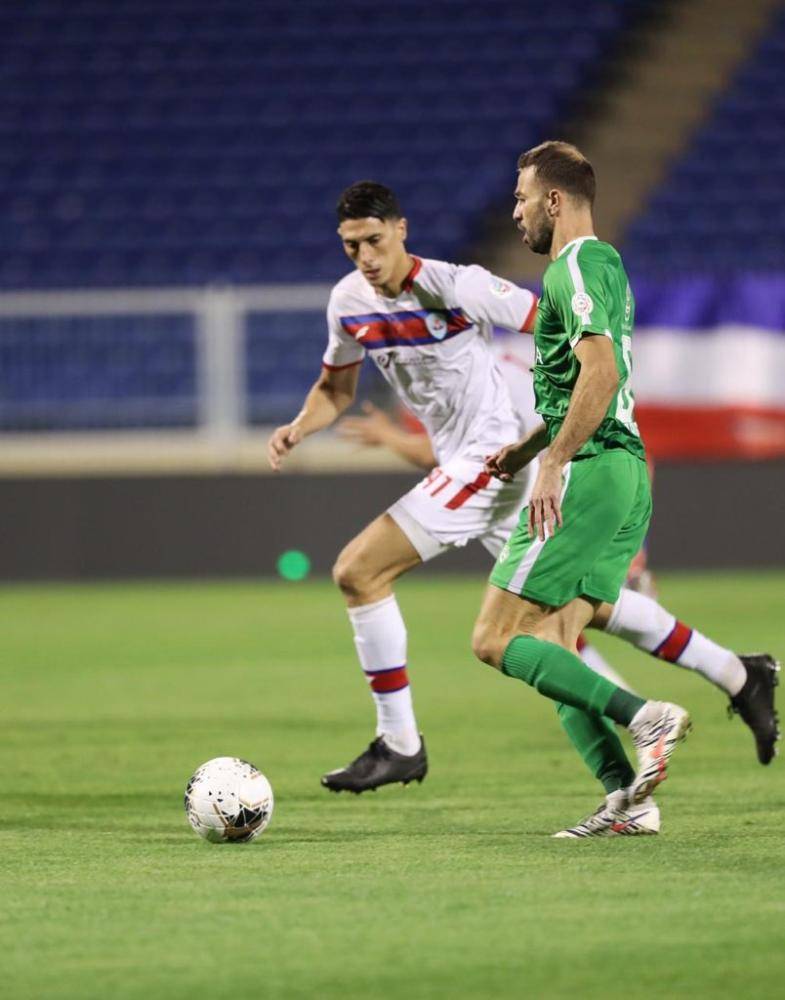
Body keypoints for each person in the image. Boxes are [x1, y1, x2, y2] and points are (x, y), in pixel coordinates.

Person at [267, 177, 778, 829]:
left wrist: (556, 400)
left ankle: (400, 742)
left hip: (491, 458)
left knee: (359, 570)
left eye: (373, 240)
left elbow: (552, 323)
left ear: (400, 230)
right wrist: (299, 426)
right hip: (492, 466)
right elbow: (335, 389)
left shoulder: (458, 286)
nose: (365, 257)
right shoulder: (347, 303)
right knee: (558, 631)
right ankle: (710, 700)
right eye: (351, 247)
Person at [470, 140, 776, 837]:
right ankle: (627, 803)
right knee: (554, 641)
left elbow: (601, 374)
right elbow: (582, 387)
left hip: (591, 469)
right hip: (622, 471)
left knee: (493, 638)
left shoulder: (576, 265)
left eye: (521, 198)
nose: (514, 212)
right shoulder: (601, 267)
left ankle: (646, 716)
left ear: (553, 200)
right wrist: (526, 449)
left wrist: (552, 464)